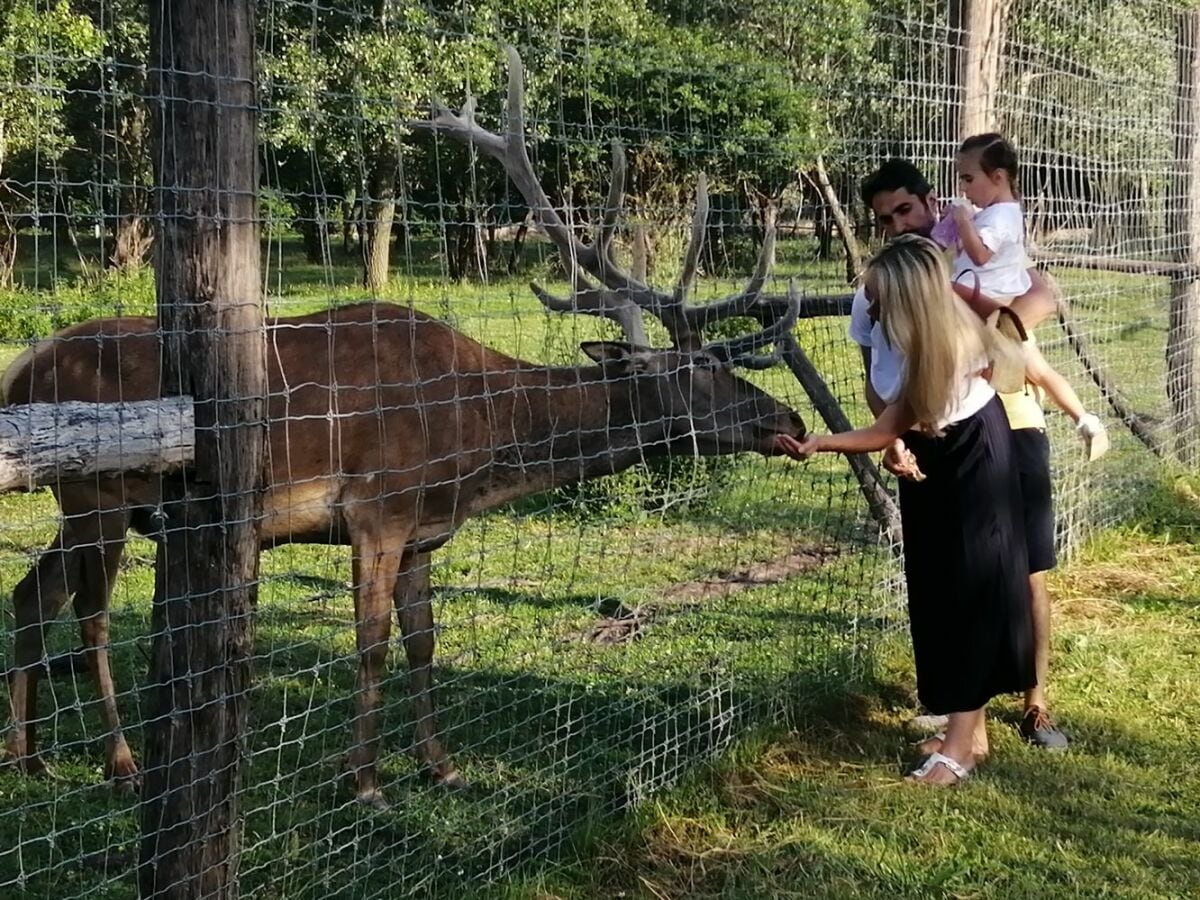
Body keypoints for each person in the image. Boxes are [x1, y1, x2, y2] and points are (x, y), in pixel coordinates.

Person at [777, 235, 1036, 784]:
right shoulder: (899, 326)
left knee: (970, 591)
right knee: (939, 587)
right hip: (933, 453)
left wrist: (819, 443)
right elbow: (890, 414)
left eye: (875, 295)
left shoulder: (936, 346)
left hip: (971, 457)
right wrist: (897, 442)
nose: (866, 304)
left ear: (908, 298)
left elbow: (884, 428)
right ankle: (966, 731)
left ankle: (959, 752)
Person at [856, 158, 1070, 751]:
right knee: (950, 576)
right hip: (927, 435)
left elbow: (1026, 313)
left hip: (1007, 420)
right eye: (885, 218)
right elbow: (875, 368)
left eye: (906, 209)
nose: (899, 224)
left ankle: (1035, 701)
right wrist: (891, 434)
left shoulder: (974, 256)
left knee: (1022, 570)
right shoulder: (888, 280)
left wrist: (1003, 322)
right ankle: (964, 721)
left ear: (931, 202)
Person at [936, 133, 1108, 462]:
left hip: (989, 302)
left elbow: (981, 256)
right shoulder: (996, 214)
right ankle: (1086, 420)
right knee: (1037, 367)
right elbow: (969, 254)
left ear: (998, 177)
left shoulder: (1001, 215)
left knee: (938, 299)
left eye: (969, 179)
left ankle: (945, 412)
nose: (964, 189)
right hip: (996, 303)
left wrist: (962, 221)